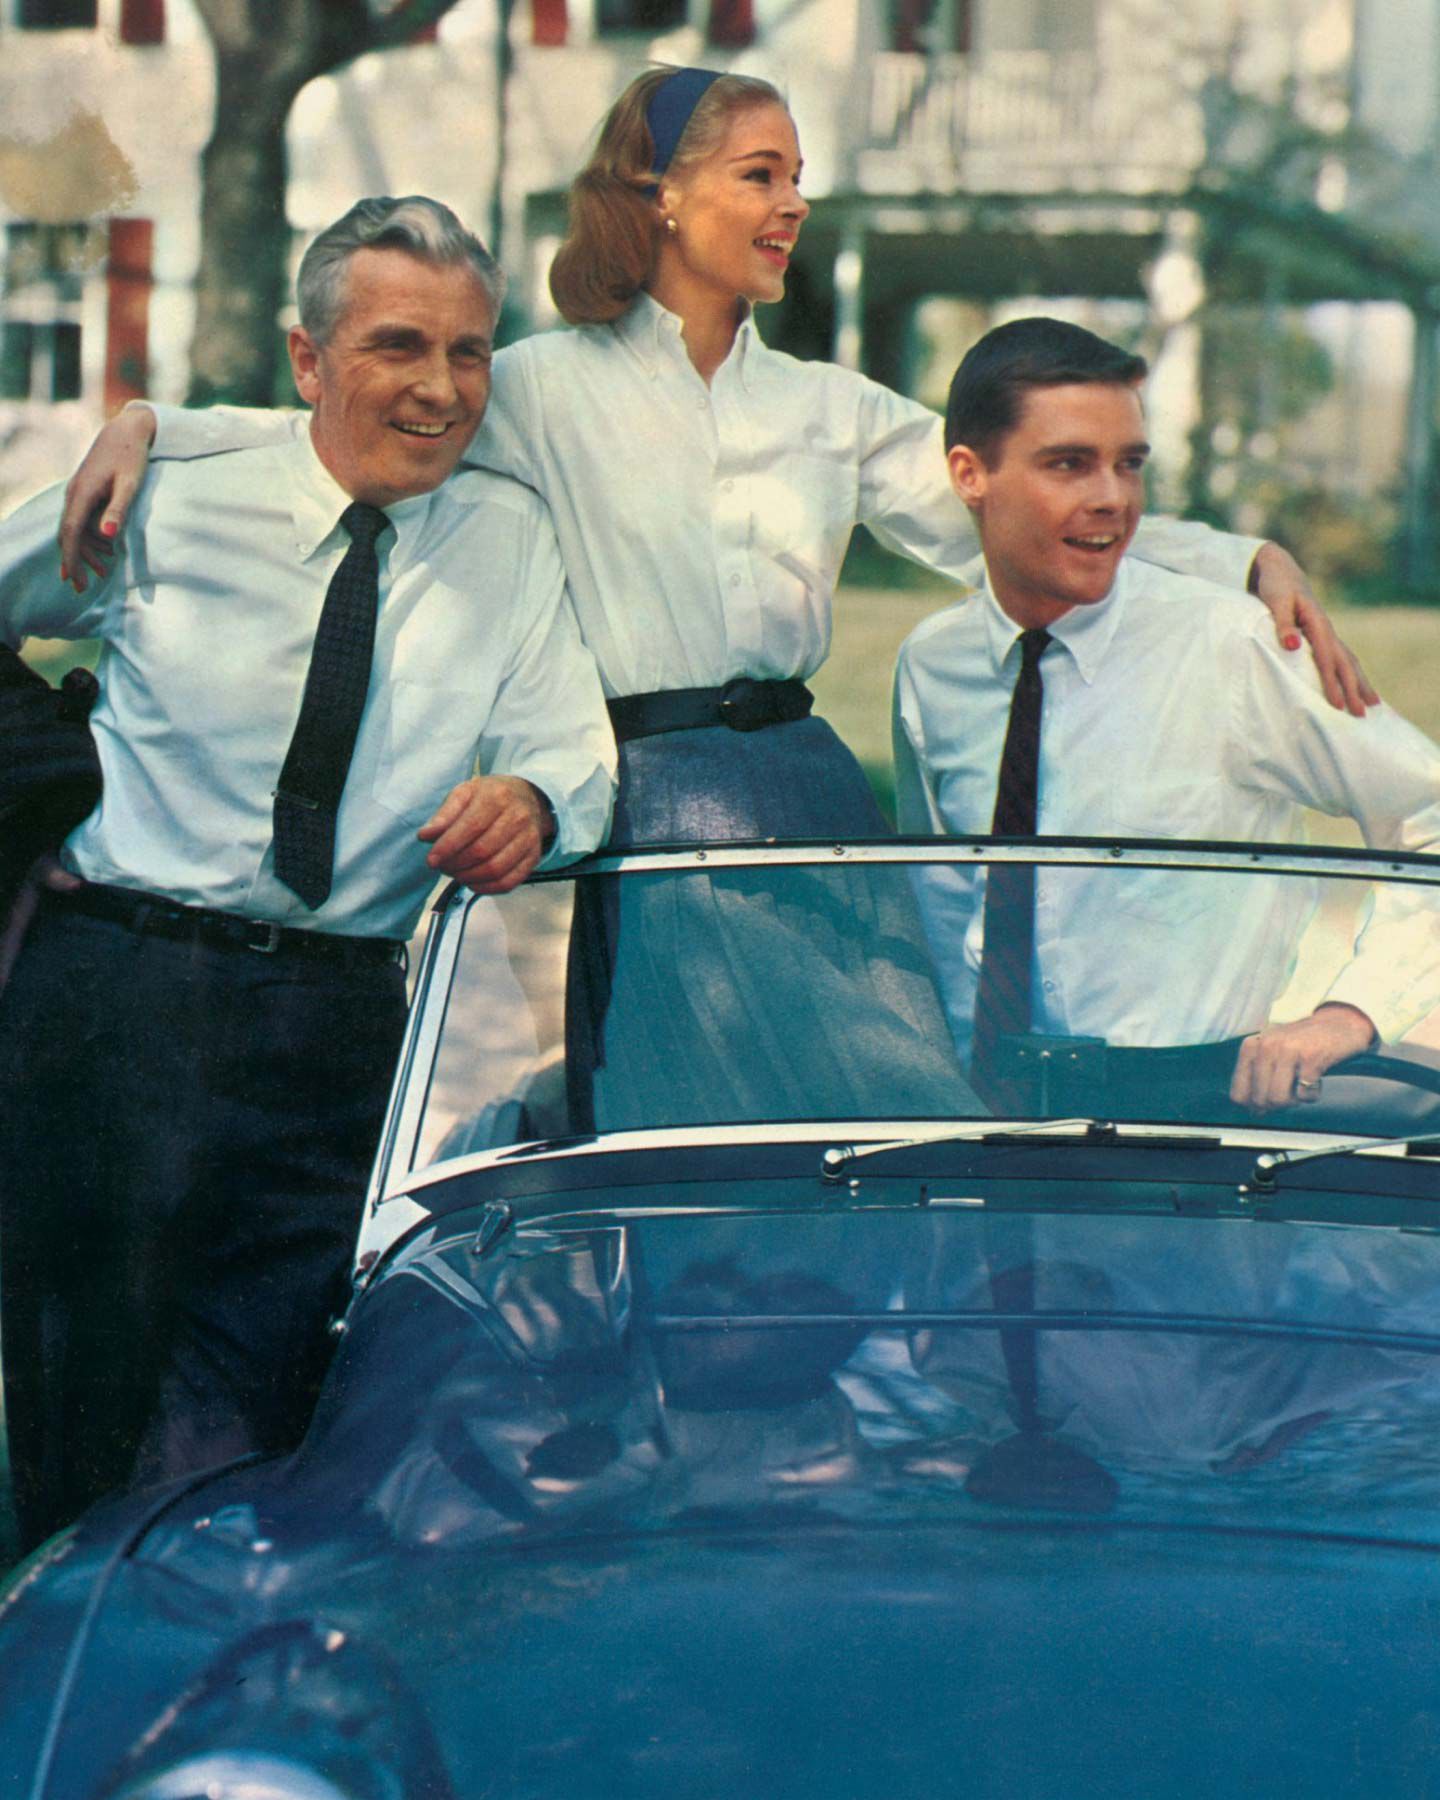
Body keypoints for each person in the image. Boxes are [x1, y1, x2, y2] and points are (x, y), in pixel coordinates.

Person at [55, 70, 1371, 1129]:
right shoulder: (538, 386)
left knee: (877, 1107)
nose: (794, 203)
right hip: (641, 802)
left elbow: (1017, 514)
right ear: (663, 196)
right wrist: (159, 428)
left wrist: (1232, 559)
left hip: (802, 786)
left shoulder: (826, 408)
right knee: (676, 1125)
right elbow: (354, 424)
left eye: (798, 177)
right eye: (761, 175)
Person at [0, 195, 615, 1552]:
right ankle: (59, 1663)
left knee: (270, 1426)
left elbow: (572, 749)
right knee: (78, 1417)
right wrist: (37, 788)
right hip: (119, 1002)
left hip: (338, 1030)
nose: (442, 388)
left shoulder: (508, 540)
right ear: (308, 360)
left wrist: (531, 800)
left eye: (469, 352)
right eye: (399, 345)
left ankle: (232, 1671)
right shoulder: (166, 498)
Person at [892, 316, 1440, 1121]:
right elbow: (942, 904)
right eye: (1069, 464)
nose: (1112, 498)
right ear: (970, 474)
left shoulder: (1236, 647)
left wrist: (1349, 1015)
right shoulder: (931, 667)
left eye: (1130, 464)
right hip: (990, 1111)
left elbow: (1429, 814)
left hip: (1199, 1112)